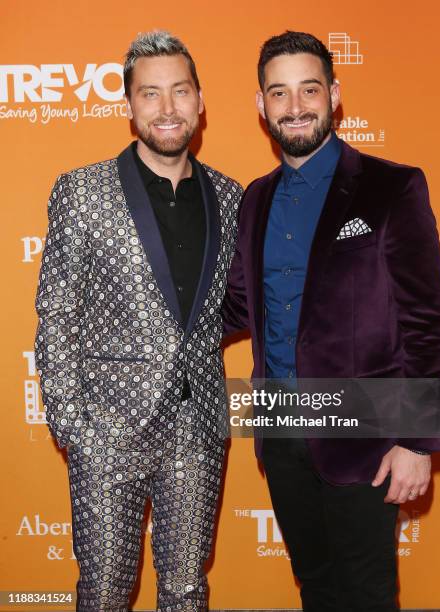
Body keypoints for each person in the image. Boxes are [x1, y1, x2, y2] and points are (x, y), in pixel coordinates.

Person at [223, 31, 440, 611]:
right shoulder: (255, 199)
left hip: (366, 436)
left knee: (367, 595)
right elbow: (237, 307)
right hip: (281, 433)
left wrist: (417, 441)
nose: (295, 106)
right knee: (318, 587)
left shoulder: (392, 187)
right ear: (261, 106)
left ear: (334, 94)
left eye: (309, 89)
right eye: (279, 93)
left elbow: (429, 322)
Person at [34, 30, 242, 612]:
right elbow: (56, 314)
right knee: (103, 592)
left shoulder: (231, 197)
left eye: (180, 91)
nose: (167, 108)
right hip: (107, 430)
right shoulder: (83, 192)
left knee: (185, 590)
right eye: (150, 94)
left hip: (197, 427)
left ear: (201, 102)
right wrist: (75, 428)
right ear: (129, 106)